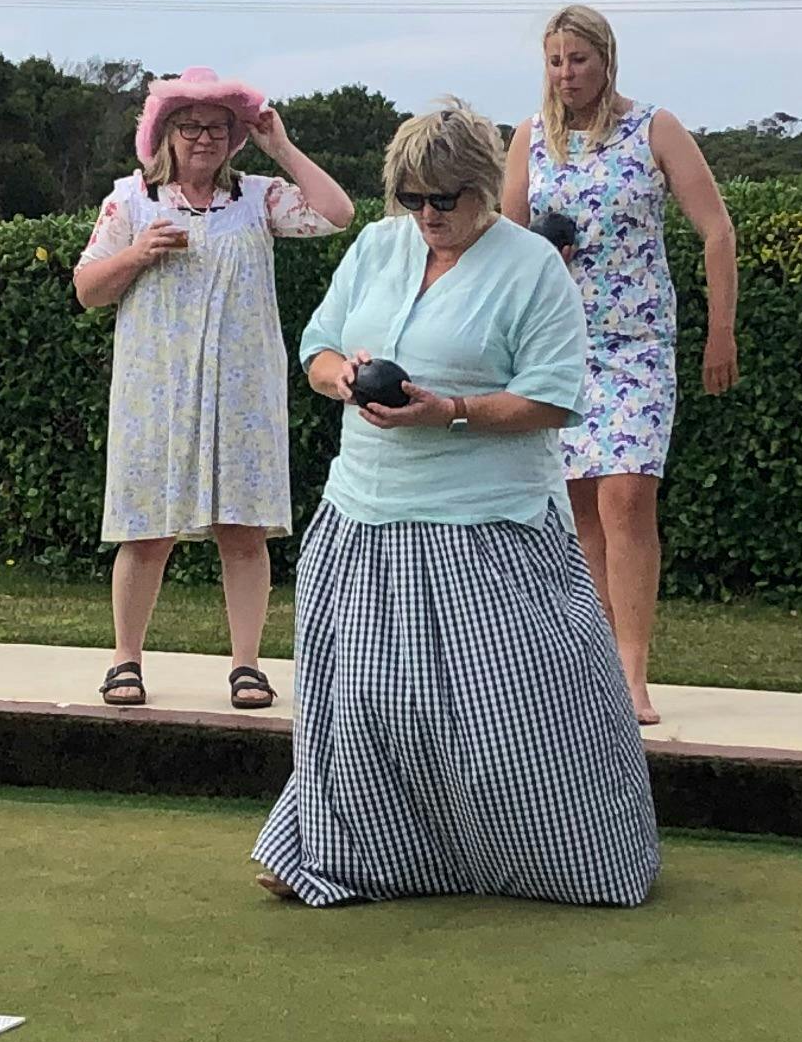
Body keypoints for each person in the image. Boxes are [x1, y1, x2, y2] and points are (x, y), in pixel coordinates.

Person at [254, 101, 658, 907]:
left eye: (444, 199)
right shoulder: (378, 246)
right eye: (412, 198)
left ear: (483, 187)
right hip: (362, 516)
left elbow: (553, 398)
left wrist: (451, 412)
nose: (428, 215)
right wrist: (344, 378)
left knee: (518, 717)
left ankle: (564, 862)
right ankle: (353, 855)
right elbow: (317, 349)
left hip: (490, 527)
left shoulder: (533, 267)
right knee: (363, 711)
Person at [72, 69, 352, 711]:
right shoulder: (131, 201)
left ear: (234, 137)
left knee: (244, 530)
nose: (204, 139)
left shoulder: (257, 197)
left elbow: (337, 214)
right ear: (165, 134)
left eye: (218, 128)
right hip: (156, 391)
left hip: (242, 394)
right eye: (191, 126)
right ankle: (125, 659)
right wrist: (138, 253)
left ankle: (247, 665)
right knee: (146, 529)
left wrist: (280, 145)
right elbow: (87, 290)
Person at [498, 4, 740, 726]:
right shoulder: (531, 138)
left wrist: (720, 332)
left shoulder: (654, 128)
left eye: (579, 59)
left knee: (628, 496)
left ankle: (633, 672)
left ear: (606, 59)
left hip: (637, 343)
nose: (566, 73)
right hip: (558, 346)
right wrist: (540, 254)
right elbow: (504, 243)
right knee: (578, 511)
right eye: (555, 60)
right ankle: (595, 669)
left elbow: (717, 229)